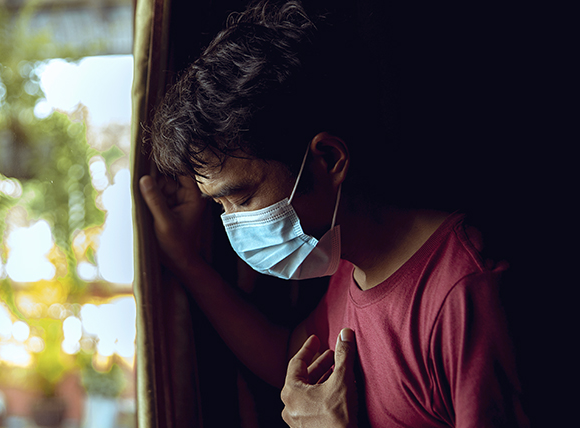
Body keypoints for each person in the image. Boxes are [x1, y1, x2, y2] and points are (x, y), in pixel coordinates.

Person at [139, 0, 529, 426]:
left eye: (244, 198)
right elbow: (289, 355)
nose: (234, 223)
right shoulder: (348, 264)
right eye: (220, 206)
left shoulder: (463, 290)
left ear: (328, 159)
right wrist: (186, 262)